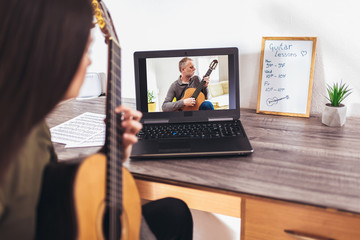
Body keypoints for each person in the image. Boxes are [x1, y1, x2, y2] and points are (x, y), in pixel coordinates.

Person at [0, 0, 192, 239]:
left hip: (54, 222)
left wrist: (110, 153)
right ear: (48, 51)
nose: (89, 61)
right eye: (85, 50)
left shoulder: (34, 125)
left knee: (174, 212)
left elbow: (57, 188)